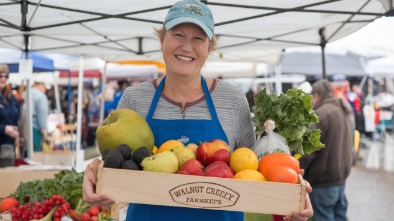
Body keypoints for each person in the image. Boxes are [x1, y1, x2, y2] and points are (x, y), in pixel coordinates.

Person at [82, 1, 313, 221]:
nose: (187, 46)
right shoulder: (134, 99)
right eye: (178, 35)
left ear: (209, 47)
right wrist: (95, 169)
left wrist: (291, 187)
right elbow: (116, 165)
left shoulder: (232, 99)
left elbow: (252, 171)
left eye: (198, 38)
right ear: (162, 39)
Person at [299, 79, 353, 221]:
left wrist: (296, 170)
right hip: (340, 177)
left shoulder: (322, 113)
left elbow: (309, 150)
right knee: (340, 216)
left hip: (324, 180)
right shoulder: (343, 107)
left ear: (316, 95)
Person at [0, 64, 20, 167]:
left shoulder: (12, 98)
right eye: (0, 76)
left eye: (5, 76)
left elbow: (17, 118)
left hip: (10, 149)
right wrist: (4, 129)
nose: (3, 79)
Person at [30, 80, 49, 152]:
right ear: (41, 85)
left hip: (24, 128)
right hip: (35, 128)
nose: (45, 90)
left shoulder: (25, 93)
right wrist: (44, 129)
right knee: (37, 154)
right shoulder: (41, 96)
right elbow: (42, 113)